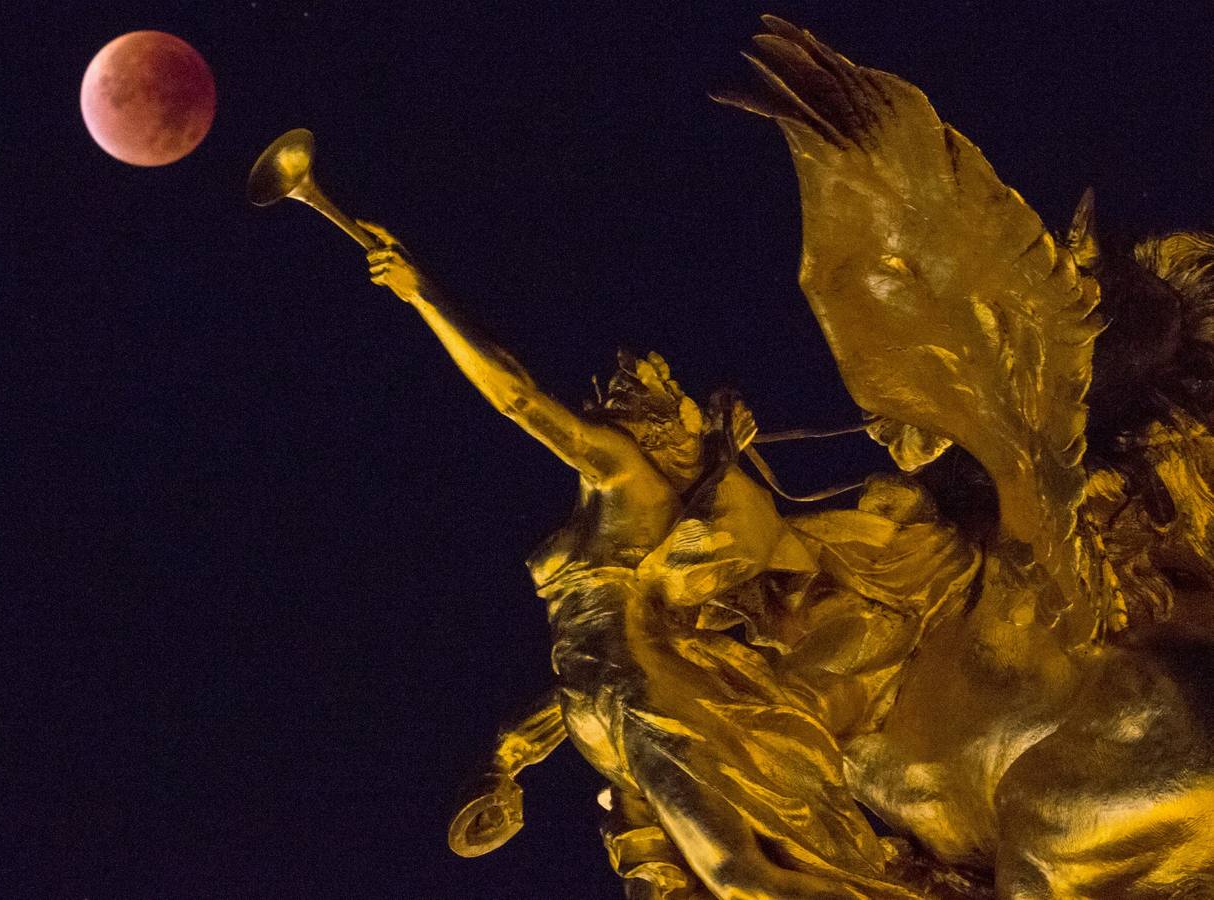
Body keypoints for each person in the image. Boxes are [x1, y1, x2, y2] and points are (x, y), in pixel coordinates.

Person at [361, 222, 923, 899]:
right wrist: (507, 759)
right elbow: (587, 661)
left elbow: (516, 398)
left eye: (623, 396)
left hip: (642, 700)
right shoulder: (600, 514)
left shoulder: (626, 476)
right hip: (601, 715)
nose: (602, 402)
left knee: (739, 880)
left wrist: (422, 294)